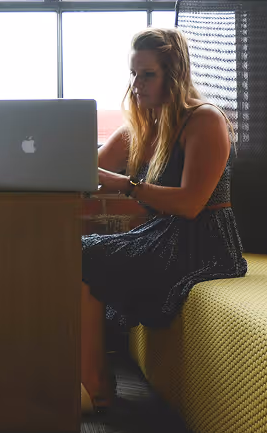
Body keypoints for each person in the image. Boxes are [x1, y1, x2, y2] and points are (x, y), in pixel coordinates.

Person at [80, 28, 247, 410]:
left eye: (147, 74)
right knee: (77, 252)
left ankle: (95, 385)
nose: (136, 84)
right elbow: (86, 170)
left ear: (173, 75)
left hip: (205, 241)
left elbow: (191, 204)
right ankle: (91, 377)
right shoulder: (141, 127)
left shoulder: (204, 120)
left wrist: (126, 186)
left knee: (85, 254)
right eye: (133, 74)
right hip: (163, 234)